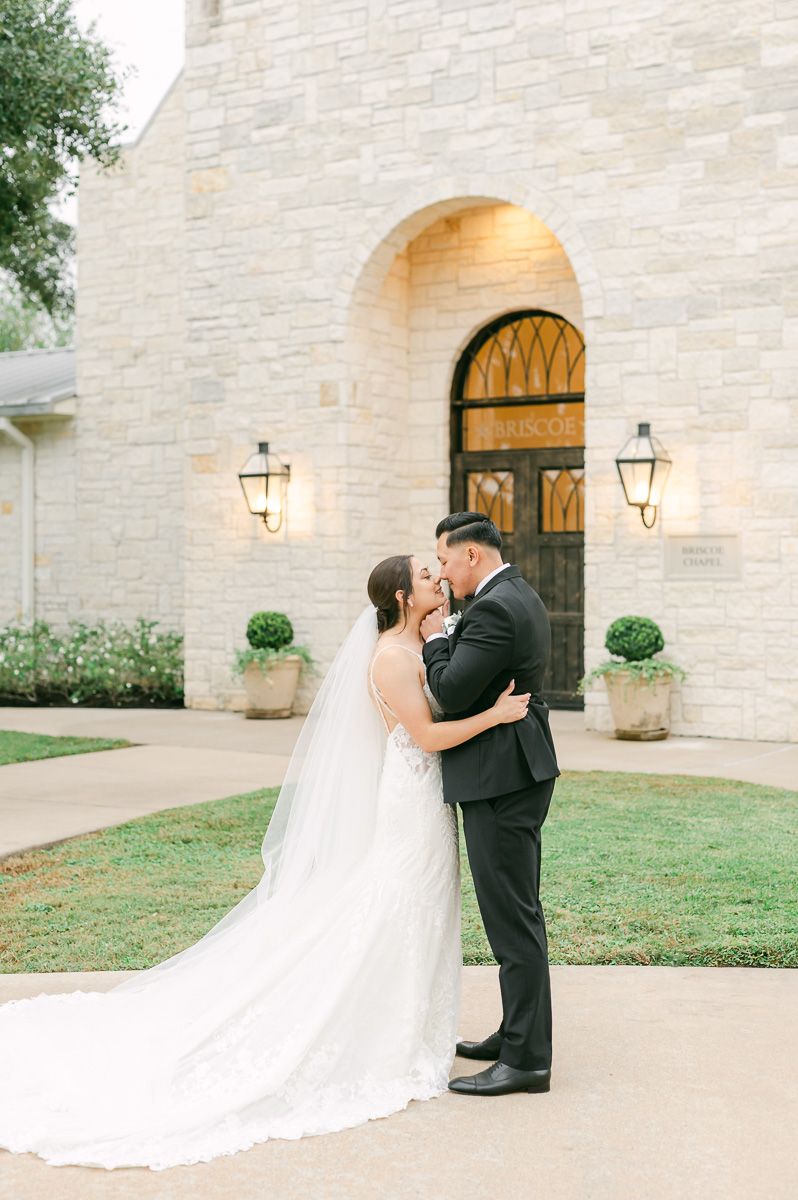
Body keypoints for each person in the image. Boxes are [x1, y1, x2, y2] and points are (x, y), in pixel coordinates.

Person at [0, 554, 528, 1171]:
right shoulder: (390, 657)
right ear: (403, 597)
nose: (436, 576)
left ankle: (411, 1027)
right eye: (423, 573)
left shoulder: (421, 642)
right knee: (397, 907)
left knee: (421, 907)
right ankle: (384, 1037)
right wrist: (494, 716)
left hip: (424, 799)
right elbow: (428, 735)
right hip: (410, 797)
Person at [421, 512, 560, 1097]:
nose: (444, 574)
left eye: (446, 561)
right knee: (515, 912)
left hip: (501, 777)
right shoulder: (514, 592)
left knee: (512, 919)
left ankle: (527, 1060)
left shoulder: (495, 608)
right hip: (513, 769)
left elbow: (451, 693)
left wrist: (433, 640)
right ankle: (515, 1032)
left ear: (472, 555)